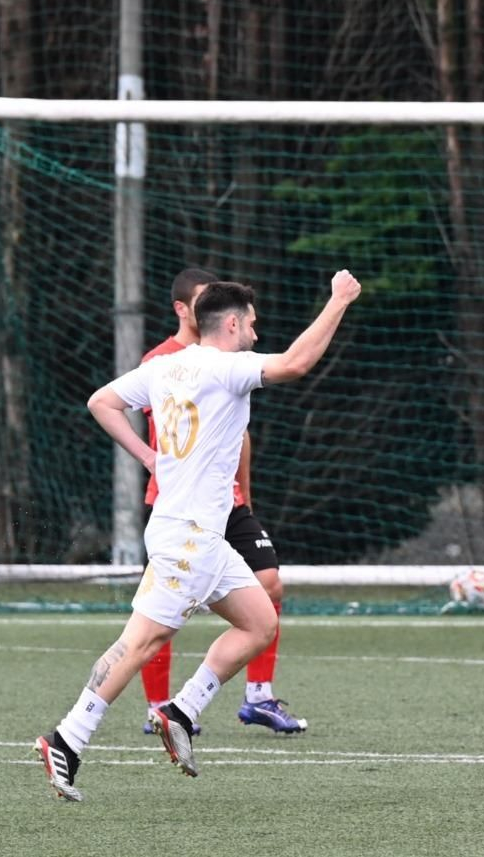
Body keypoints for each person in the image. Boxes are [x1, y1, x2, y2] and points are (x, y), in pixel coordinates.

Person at [34, 271, 361, 801]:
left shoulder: (164, 367)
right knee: (141, 642)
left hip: (195, 535)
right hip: (188, 538)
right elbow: (298, 363)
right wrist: (338, 300)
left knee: (259, 622)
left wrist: (147, 456)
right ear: (231, 324)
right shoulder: (227, 368)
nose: (257, 333)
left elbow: (100, 402)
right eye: (252, 324)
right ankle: (66, 741)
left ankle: (181, 710)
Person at [136, 269, 306, 736]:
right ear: (183, 310)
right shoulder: (163, 363)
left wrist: (243, 495)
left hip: (226, 504)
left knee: (269, 586)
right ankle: (159, 707)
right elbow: (174, 430)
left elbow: (238, 435)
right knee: (163, 616)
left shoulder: (230, 359)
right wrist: (151, 460)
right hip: (178, 508)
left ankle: (258, 697)